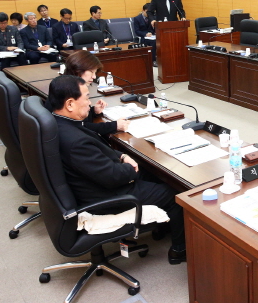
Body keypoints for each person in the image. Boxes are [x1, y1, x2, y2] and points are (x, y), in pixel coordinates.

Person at [48, 75, 186, 264]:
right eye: (87, 98)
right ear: (70, 104)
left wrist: (121, 156)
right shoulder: (74, 141)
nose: (90, 103)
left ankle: (161, 227)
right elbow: (112, 177)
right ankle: (179, 250)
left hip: (92, 181)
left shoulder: (60, 123)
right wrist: (131, 169)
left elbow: (96, 148)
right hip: (105, 196)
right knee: (175, 195)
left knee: (155, 174)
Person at [62, 50, 129, 136]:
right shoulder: (69, 92)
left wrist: (94, 111)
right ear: (78, 70)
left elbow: (81, 119)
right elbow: (82, 127)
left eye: (95, 72)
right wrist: (114, 126)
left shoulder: (66, 84)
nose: (94, 76)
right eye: (91, 72)